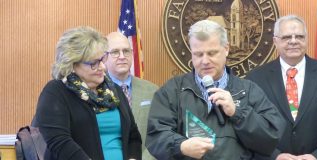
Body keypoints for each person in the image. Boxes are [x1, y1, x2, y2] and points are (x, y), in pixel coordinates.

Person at [145, 19, 285, 160]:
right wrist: (181, 146)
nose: (205, 61)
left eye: (212, 53)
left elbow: (271, 137)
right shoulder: (173, 90)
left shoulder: (248, 90)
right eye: (198, 54)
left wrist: (238, 113)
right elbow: (155, 135)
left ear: (226, 49)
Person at [32, 26, 142, 160]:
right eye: (94, 63)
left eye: (102, 59)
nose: (102, 67)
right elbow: (59, 141)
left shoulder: (114, 90)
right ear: (72, 64)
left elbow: (133, 136)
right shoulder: (55, 92)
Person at [246, 15, 317, 160]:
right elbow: (251, 127)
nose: (293, 41)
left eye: (299, 36)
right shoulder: (256, 79)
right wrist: (274, 156)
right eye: (287, 37)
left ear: (306, 39)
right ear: (275, 41)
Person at [104, 32, 159, 160]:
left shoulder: (152, 90)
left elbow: (160, 132)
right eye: (115, 52)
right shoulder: (95, 91)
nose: (122, 56)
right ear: (104, 57)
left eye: (126, 51)